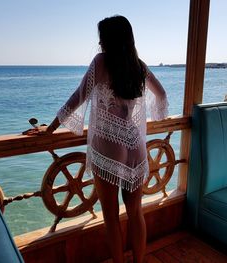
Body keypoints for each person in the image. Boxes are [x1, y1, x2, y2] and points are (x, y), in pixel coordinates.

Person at [26, 15, 168, 263]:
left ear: (108, 39)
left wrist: (50, 130)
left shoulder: (101, 62)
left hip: (109, 147)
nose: (99, 41)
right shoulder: (139, 66)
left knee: (111, 217)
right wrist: (154, 118)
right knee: (136, 213)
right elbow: (162, 95)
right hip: (136, 146)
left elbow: (78, 97)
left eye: (102, 36)